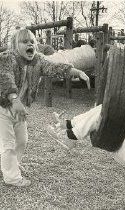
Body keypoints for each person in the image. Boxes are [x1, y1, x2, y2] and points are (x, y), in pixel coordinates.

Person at [0, 28, 90, 187]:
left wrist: (77, 71)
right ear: (15, 45)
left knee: (22, 140)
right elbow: (6, 79)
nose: (30, 44)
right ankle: (12, 177)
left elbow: (55, 67)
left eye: (32, 42)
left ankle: (11, 166)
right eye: (24, 42)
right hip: (4, 107)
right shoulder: (8, 58)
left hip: (20, 109)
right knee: (8, 143)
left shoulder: (38, 61)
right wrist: (14, 100)